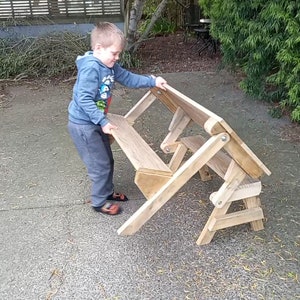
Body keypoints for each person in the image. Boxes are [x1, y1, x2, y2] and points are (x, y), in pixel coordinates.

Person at [68, 21, 167, 215]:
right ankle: (98, 202)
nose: (117, 57)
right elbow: (83, 99)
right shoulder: (91, 68)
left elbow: (129, 78)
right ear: (98, 48)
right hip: (83, 126)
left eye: (119, 53)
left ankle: (107, 192)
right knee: (99, 165)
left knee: (107, 160)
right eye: (114, 53)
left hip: (94, 122)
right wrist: (103, 121)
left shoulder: (109, 66)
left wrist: (152, 81)